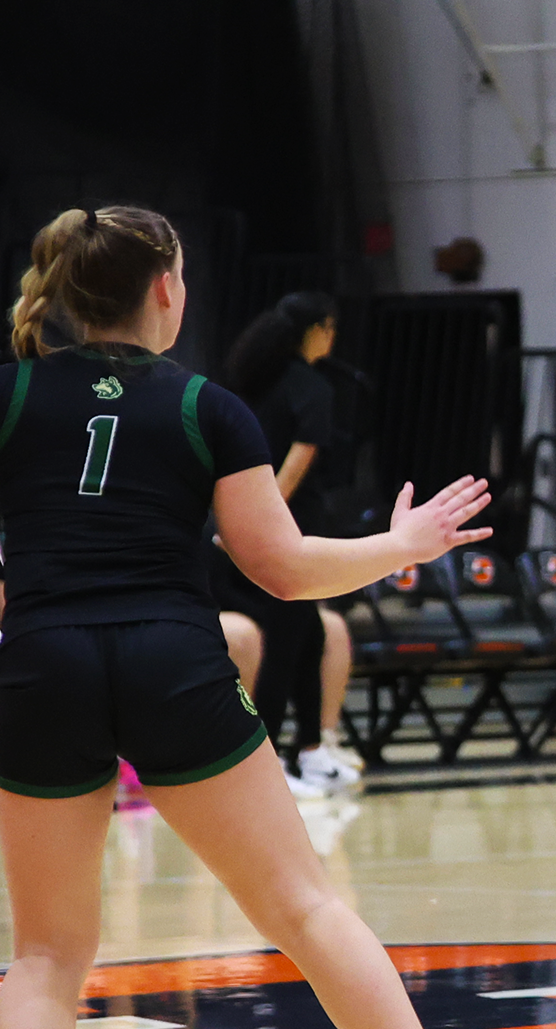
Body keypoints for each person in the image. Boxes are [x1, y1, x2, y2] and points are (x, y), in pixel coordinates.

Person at [0, 204, 484, 1029]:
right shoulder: (208, 406)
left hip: (46, 666)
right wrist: (400, 546)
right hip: (173, 660)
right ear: (166, 289)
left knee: (45, 959)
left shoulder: (0, 397)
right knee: (304, 908)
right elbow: (280, 570)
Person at [216, 291, 359, 792]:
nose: (333, 339)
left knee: (309, 633)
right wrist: (259, 520)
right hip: (286, 528)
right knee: (284, 639)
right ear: (316, 330)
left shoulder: (250, 383)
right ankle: (272, 758)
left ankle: (313, 750)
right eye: (331, 328)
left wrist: (234, 519)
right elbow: (296, 464)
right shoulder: (312, 387)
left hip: (243, 526)